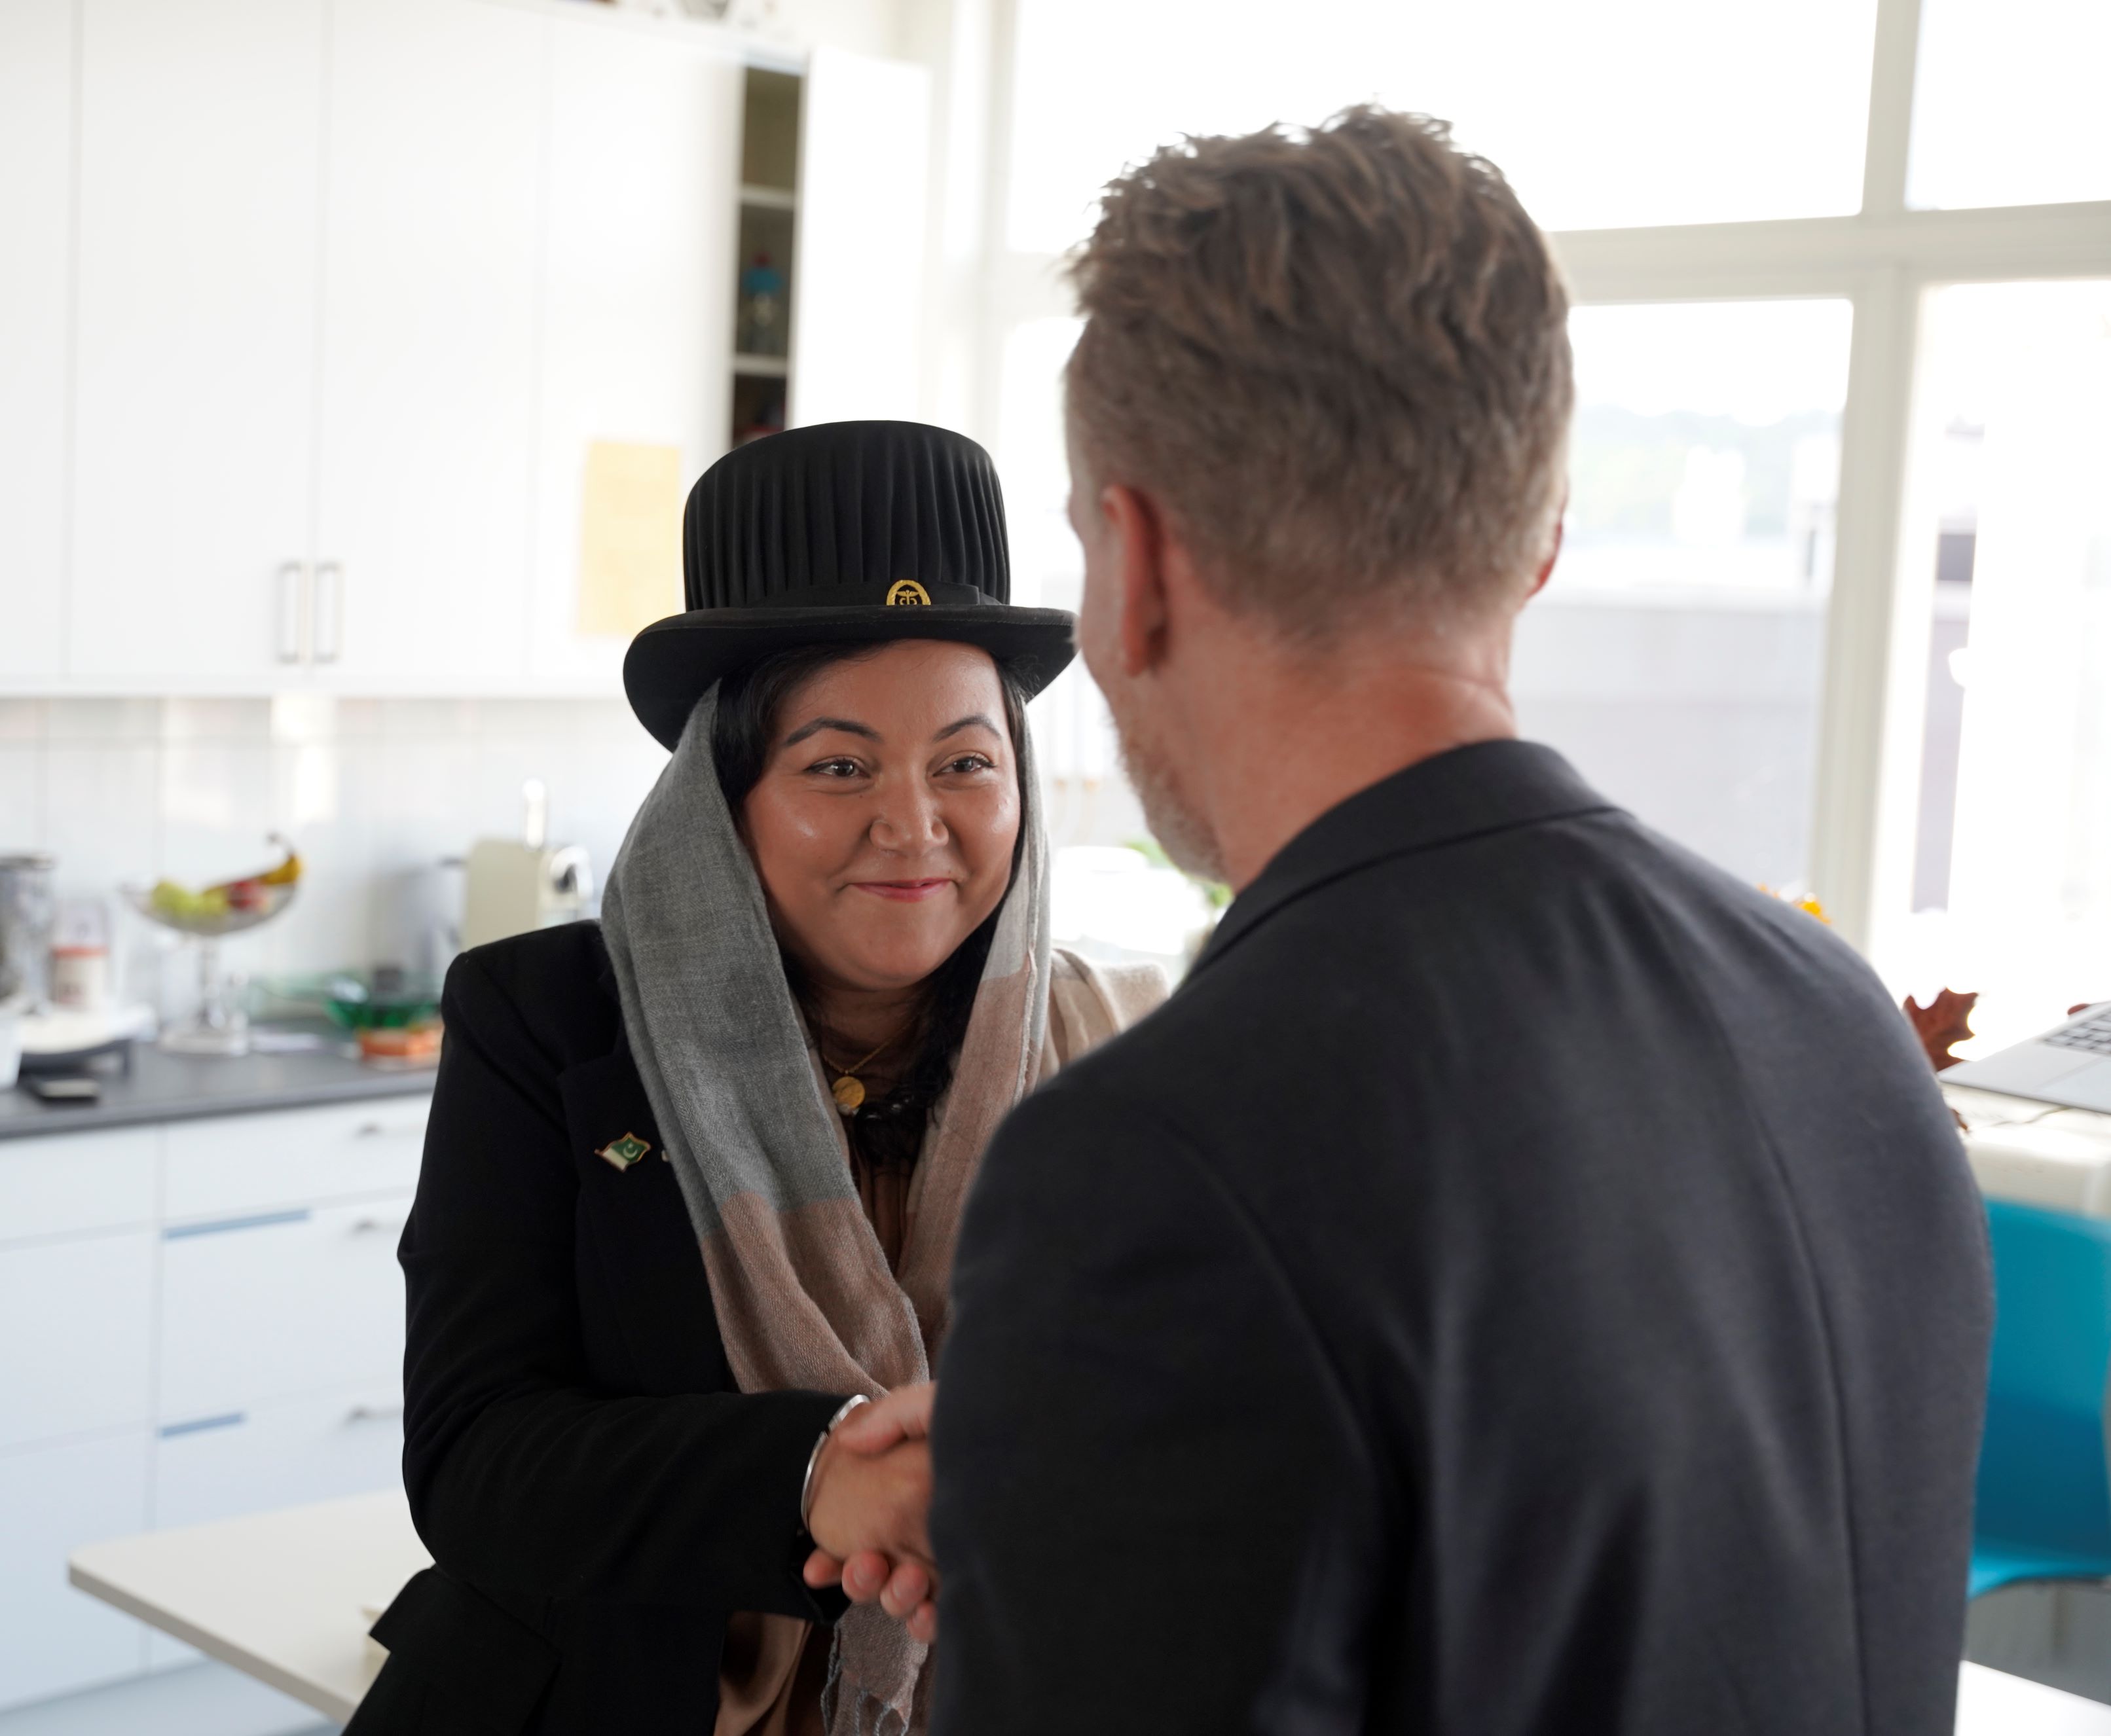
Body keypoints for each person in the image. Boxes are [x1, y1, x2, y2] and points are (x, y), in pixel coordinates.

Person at [816, 109, 1994, 1733]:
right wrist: (1076, 1490)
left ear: (1136, 560)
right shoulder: (1828, 1018)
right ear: (1537, 542)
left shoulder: (1154, 1166)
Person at [344, 420, 1166, 1736]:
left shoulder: (1117, 1049)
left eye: (966, 761)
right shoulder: (547, 1025)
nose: (914, 823)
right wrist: (812, 1475)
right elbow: (475, 1459)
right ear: (718, 796)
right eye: (836, 765)